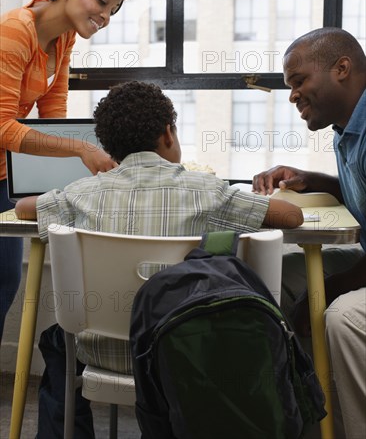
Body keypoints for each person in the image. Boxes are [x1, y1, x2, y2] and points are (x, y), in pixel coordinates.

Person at [15, 80, 303, 438]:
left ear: (109, 147)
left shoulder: (81, 193)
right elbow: (291, 217)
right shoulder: (208, 191)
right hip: (184, 350)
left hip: (99, 353)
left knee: (57, 339)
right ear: (168, 133)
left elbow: (24, 207)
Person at [0, 0, 132, 342]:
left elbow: (53, 113)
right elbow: (3, 127)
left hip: (3, 174)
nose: (105, 18)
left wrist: (85, 160)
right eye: (102, 3)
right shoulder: (15, 29)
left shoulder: (64, 37)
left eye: (113, 11)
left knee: (6, 280)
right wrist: (79, 151)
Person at [252, 27, 366, 439]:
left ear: (341, 68)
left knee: (343, 316)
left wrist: (334, 287)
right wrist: (312, 179)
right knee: (274, 276)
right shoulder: (347, 128)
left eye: (299, 81)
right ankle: (306, 417)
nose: (293, 94)